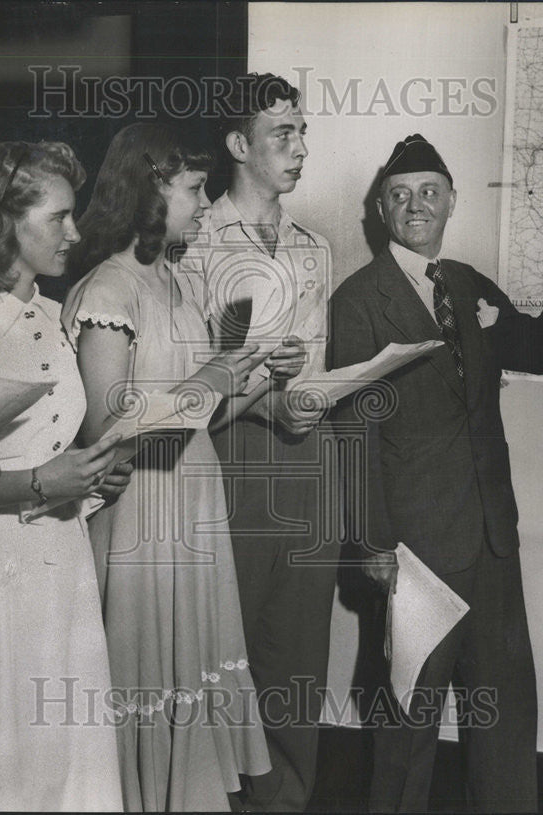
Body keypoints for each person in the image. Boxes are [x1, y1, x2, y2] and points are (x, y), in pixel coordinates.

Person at [328, 133, 543, 813]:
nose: (416, 206)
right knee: (409, 722)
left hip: (494, 538)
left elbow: (539, 347)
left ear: (451, 203)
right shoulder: (358, 301)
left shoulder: (465, 284)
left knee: (503, 714)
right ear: (381, 211)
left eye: (429, 193)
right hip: (415, 546)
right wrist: (373, 542)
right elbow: (352, 428)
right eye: (400, 196)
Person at [61, 122, 305, 811]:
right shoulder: (108, 290)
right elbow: (108, 426)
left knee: (191, 674)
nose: (204, 204)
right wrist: (215, 372)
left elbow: (203, 416)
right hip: (141, 513)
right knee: (145, 675)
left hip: (194, 502)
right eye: (193, 189)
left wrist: (257, 374)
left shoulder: (172, 280)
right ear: (149, 189)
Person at [0, 141, 127, 811]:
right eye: (58, 217)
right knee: (12, 753)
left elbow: (51, 441)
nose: (76, 232)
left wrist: (90, 477)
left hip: (60, 559)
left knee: (67, 752)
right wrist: (41, 483)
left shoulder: (50, 315)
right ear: (5, 222)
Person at [178, 72, 336, 812]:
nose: (301, 147)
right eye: (284, 134)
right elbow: (188, 390)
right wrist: (269, 400)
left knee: (298, 659)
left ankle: (287, 802)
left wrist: (310, 395)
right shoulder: (194, 240)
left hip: (306, 462)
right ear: (240, 144)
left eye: (303, 131)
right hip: (231, 459)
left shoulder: (315, 247)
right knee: (224, 658)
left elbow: (314, 359)